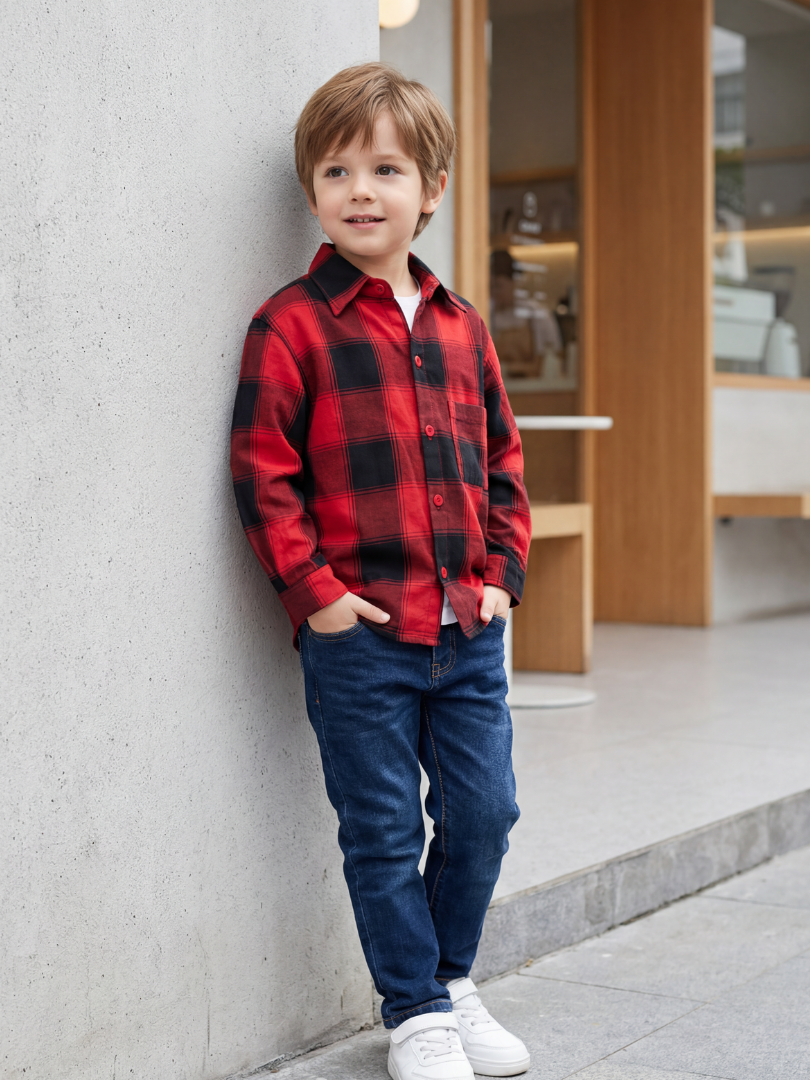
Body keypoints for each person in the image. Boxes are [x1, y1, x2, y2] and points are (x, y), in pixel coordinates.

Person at [230, 63, 532, 1080]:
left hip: (466, 625)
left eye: (388, 167)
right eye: (338, 169)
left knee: (486, 814)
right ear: (313, 191)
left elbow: (502, 461)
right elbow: (262, 468)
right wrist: (315, 599)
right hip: (361, 635)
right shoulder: (292, 322)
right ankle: (415, 1015)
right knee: (382, 827)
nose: (363, 189)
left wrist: (502, 576)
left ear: (431, 189)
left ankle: (450, 981)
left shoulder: (461, 326)